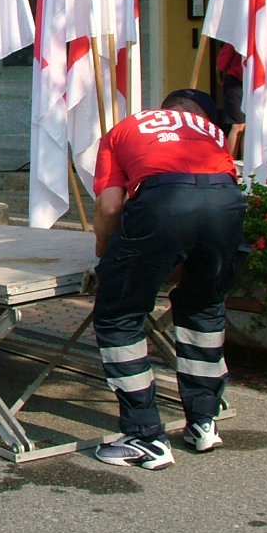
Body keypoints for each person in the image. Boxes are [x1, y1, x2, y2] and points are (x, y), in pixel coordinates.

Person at [89, 88, 246, 471]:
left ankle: (145, 438)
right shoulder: (210, 132)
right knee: (204, 308)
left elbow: (110, 206)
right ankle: (204, 423)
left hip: (164, 203)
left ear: (163, 110)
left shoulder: (124, 129)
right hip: (228, 204)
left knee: (118, 316)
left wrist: (107, 255)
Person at [215, 42, 244, 134]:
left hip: (248, 83)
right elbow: (221, 63)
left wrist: (220, 77)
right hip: (236, 81)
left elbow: (220, 65)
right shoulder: (234, 41)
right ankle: (232, 149)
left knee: (245, 126)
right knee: (239, 124)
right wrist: (220, 78)